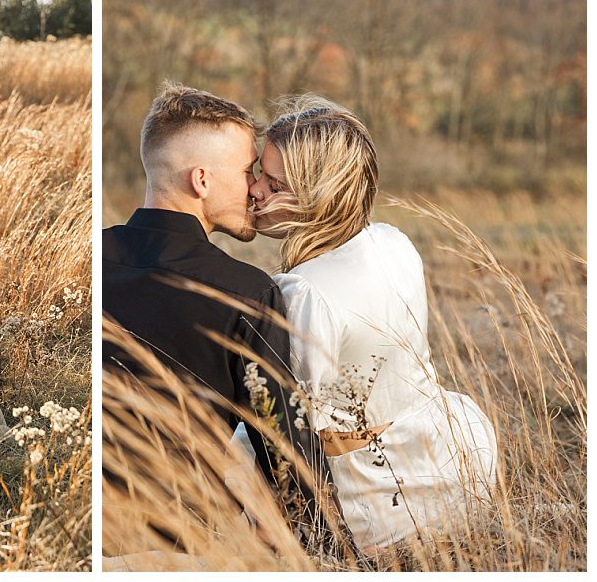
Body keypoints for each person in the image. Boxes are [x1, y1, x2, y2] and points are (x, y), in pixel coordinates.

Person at [102, 82, 350, 552]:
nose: (255, 188)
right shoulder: (246, 292)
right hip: (172, 539)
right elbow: (286, 453)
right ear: (202, 181)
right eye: (245, 170)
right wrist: (340, 557)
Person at [248, 95, 497, 551]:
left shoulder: (304, 292)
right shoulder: (392, 241)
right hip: (449, 461)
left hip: (377, 495)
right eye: (258, 173)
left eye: (273, 182)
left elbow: (299, 424)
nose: (255, 191)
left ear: (316, 193)